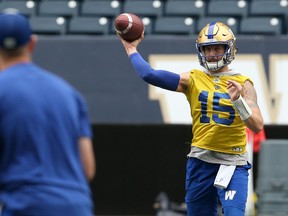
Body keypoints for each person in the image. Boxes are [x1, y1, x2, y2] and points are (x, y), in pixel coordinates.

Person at [117, 22, 264, 216]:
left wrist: (238, 101)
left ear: (229, 48)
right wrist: (131, 49)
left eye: (217, 48)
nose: (211, 54)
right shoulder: (193, 79)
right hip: (200, 161)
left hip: (232, 162)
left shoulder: (243, 84)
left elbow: (257, 125)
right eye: (207, 49)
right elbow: (149, 74)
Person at [0, 12, 96, 215]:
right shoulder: (70, 93)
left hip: (26, 206)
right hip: (77, 207)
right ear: (32, 43)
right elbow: (87, 168)